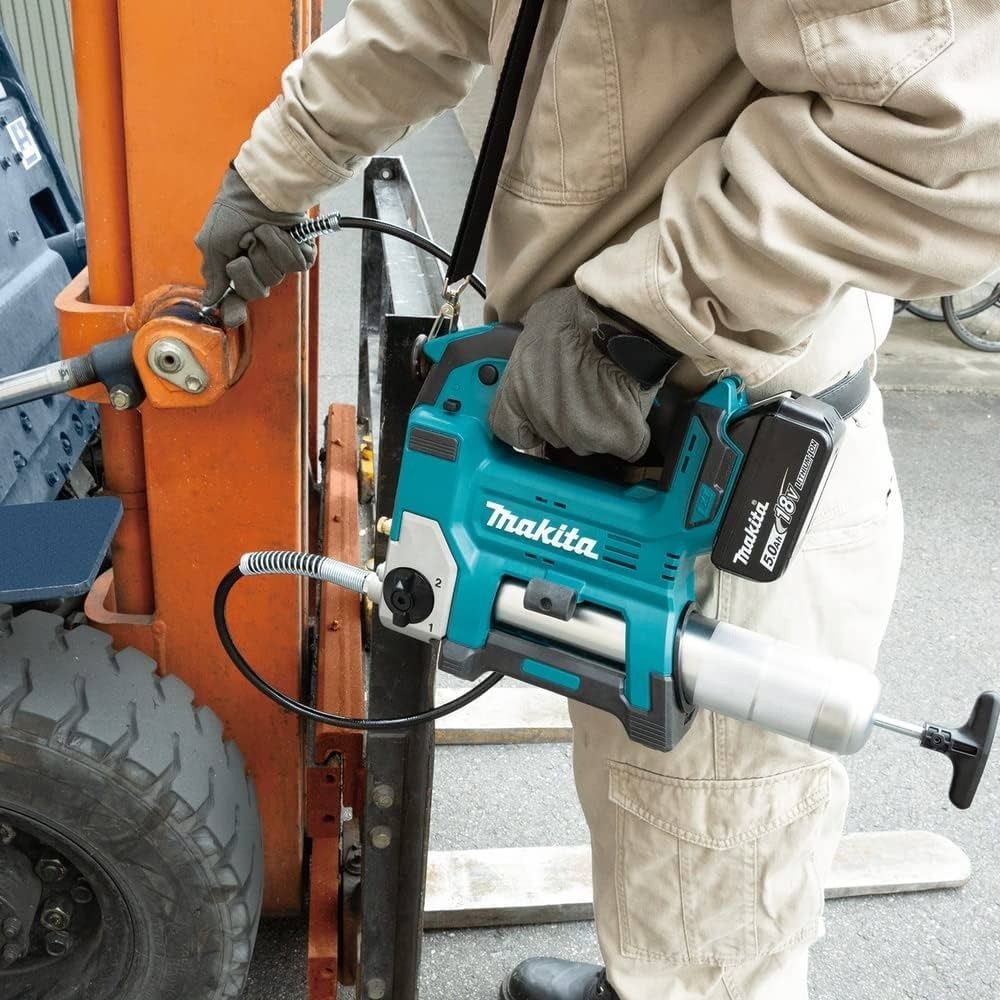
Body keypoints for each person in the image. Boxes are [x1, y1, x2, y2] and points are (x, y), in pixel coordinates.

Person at [195, 3, 1000, 997]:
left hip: (713, 471)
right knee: (652, 831)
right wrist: (277, 167)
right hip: (609, 440)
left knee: (710, 927)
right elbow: (439, 11)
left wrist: (648, 318)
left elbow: (943, 130)